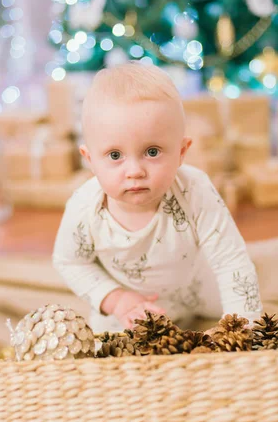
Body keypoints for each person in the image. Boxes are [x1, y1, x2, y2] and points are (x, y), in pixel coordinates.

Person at [53, 62, 262, 333]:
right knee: (109, 350)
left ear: (181, 151)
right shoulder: (84, 207)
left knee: (243, 297)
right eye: (115, 156)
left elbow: (230, 259)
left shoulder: (194, 189)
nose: (135, 171)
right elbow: (70, 261)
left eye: (152, 152)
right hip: (129, 312)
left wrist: (242, 326)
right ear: (90, 160)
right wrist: (115, 299)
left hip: (201, 293)